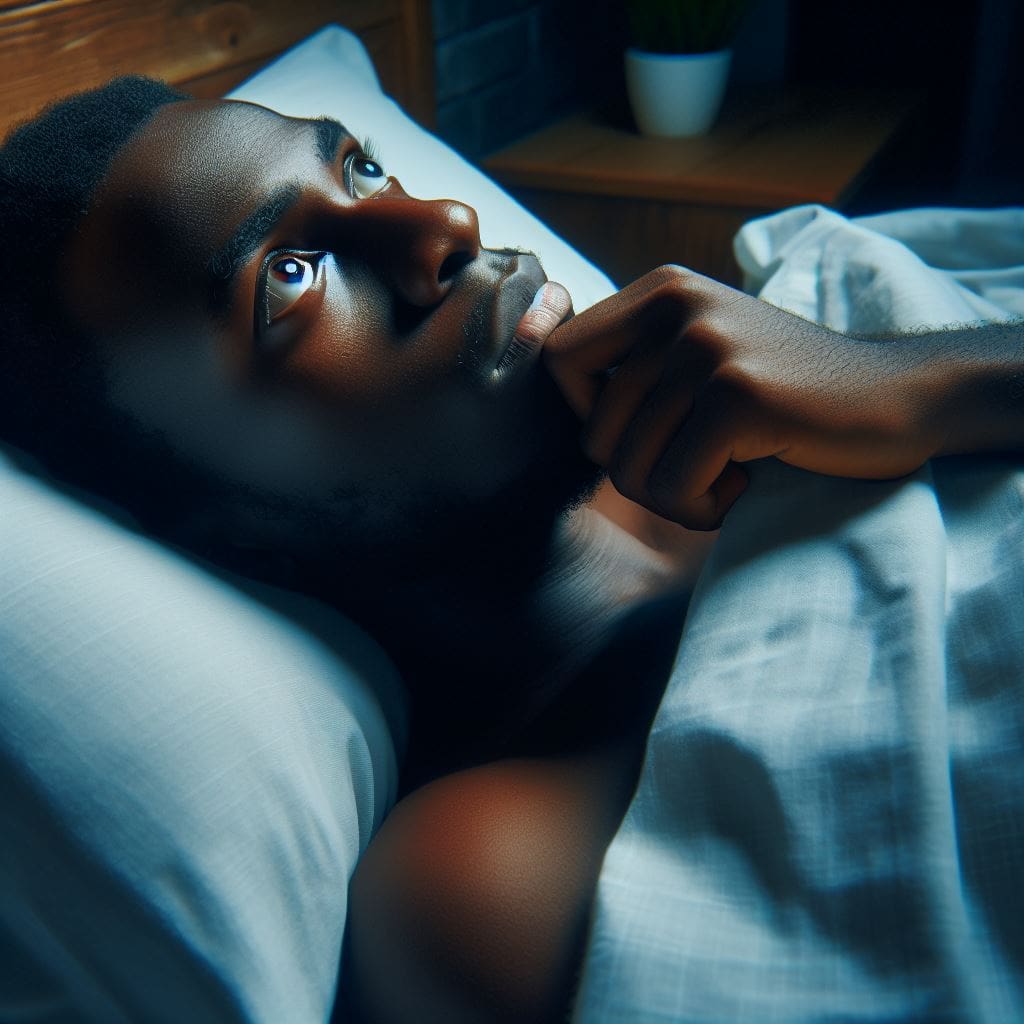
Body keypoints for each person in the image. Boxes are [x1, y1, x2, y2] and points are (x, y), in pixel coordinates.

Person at [1, 78, 1021, 1023]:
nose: (440, 225)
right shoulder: (482, 883)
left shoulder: (804, 343)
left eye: (358, 167)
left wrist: (908, 374)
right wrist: (945, 389)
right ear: (207, 521)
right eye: (291, 277)